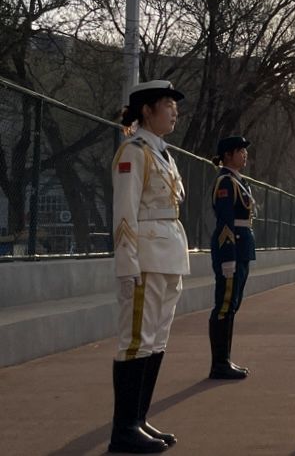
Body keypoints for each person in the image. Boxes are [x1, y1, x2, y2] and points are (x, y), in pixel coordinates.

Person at [109, 80, 188, 454]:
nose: (174, 111)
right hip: (146, 259)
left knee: (156, 341)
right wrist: (127, 265)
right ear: (146, 110)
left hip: (168, 254)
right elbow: (125, 212)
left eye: (175, 105)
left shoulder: (162, 153)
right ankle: (124, 429)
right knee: (136, 342)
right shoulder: (134, 151)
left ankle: (138, 420)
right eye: (167, 103)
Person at [207, 136, 256, 380]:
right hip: (232, 249)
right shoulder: (225, 182)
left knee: (232, 304)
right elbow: (225, 222)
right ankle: (219, 363)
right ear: (227, 155)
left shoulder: (239, 181)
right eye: (240, 151)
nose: (244, 155)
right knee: (225, 305)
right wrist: (228, 257)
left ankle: (225, 359)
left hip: (242, 248)